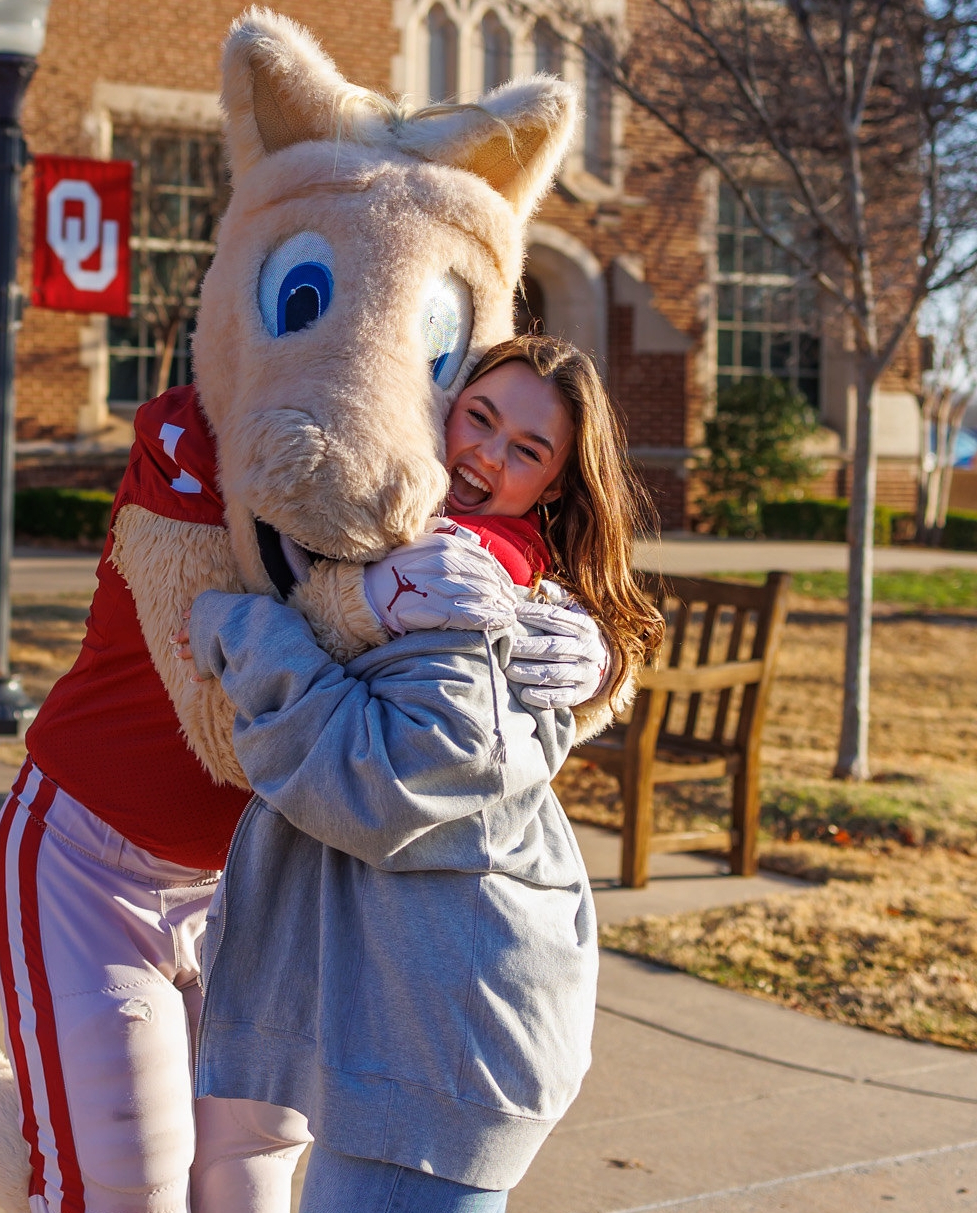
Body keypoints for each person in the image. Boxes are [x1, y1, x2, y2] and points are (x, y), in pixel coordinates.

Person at [179, 334, 662, 1211]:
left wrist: (246, 634)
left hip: (445, 1051)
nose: (486, 454)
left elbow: (375, 782)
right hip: (428, 1034)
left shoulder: (463, 589)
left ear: (551, 485)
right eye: (479, 418)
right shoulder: (430, 550)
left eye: (527, 450)